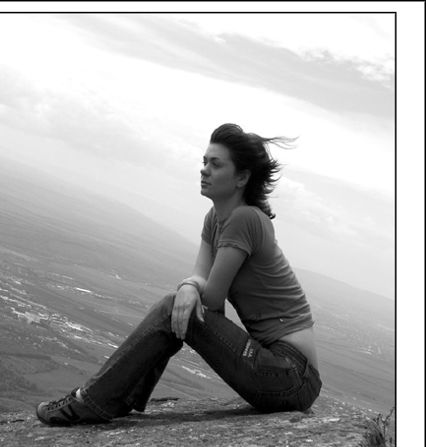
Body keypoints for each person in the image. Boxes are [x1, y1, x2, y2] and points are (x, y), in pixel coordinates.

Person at [36, 123, 321, 426]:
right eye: (204, 161)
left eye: (216, 164)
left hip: (292, 374)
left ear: (242, 177)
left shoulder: (245, 219)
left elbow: (211, 301)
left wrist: (187, 289)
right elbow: (200, 277)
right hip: (277, 371)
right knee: (179, 306)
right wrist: (189, 286)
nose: (204, 170)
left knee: (176, 308)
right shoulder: (215, 218)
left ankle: (94, 401)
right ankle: (116, 398)